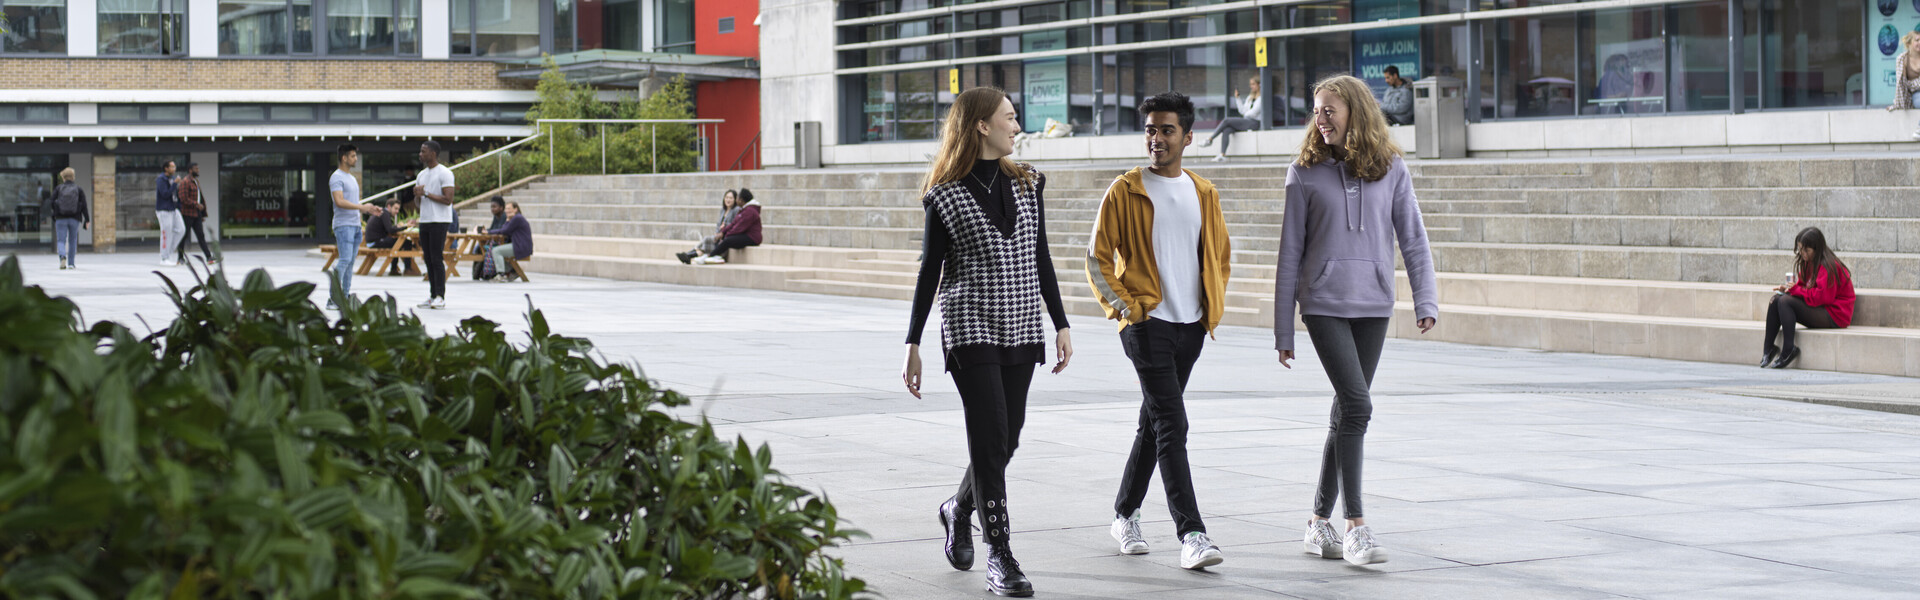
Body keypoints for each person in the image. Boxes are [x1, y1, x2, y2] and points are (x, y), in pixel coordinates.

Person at [904, 86, 1072, 598]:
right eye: (1010, 118)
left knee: (1008, 436)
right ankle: (1000, 553)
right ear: (981, 125)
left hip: (1022, 323)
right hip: (970, 326)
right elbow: (929, 271)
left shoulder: (1029, 184)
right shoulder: (945, 196)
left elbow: (1040, 257)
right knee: (990, 431)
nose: (1017, 126)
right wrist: (912, 343)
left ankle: (958, 507)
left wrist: (1061, 322)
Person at [1275, 75, 1439, 567]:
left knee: (1346, 412)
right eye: (1317, 111)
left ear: (1357, 113)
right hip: (1323, 303)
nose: (1320, 120)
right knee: (1358, 405)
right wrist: (1285, 328)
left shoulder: (1391, 169)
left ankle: (1317, 523)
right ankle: (1356, 526)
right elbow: (1289, 256)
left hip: (1374, 305)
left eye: (1330, 111)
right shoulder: (1303, 173)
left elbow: (1413, 238)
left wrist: (1425, 299)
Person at [1086, 91, 1231, 572]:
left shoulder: (1204, 193)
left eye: (1167, 130)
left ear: (1188, 137)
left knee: (1154, 422)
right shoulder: (1126, 189)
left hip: (1190, 327)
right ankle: (1191, 533)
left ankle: (1123, 513)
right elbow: (1097, 258)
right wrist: (1126, 309)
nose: (1156, 138)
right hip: (1146, 324)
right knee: (1173, 422)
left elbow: (1219, 257)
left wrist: (1212, 304)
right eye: (1150, 129)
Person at [1763, 227, 1854, 369]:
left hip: (1835, 315)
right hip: (1821, 309)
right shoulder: (1809, 262)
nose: (1803, 254)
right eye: (1800, 249)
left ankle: (1788, 350)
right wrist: (1788, 289)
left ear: (1817, 249)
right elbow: (1803, 286)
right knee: (1776, 299)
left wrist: (1796, 291)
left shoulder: (1828, 266)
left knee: (1786, 302)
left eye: (1807, 250)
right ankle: (1768, 349)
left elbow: (1822, 298)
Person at [328, 144, 384, 310]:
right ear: (344, 158)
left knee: (350, 262)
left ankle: (344, 298)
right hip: (343, 226)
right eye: (352, 156)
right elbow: (339, 201)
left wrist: (369, 209)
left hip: (355, 225)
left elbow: (352, 202)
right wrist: (362, 208)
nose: (356, 159)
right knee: (344, 260)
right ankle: (333, 299)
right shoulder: (336, 177)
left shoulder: (351, 178)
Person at [414, 140, 457, 309]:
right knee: (428, 258)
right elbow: (418, 205)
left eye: (423, 151)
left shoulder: (445, 173)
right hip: (425, 220)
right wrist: (418, 196)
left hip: (440, 220)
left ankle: (441, 296)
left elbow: (448, 200)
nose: (420, 154)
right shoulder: (421, 175)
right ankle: (432, 296)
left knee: (436, 258)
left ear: (432, 153)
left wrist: (426, 193)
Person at [1196, 76, 1263, 162]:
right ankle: (1222, 155)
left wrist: (1245, 115)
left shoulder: (1261, 98)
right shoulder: (1250, 97)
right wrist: (1237, 98)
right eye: (1250, 84)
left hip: (1254, 123)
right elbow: (1242, 111)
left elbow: (1254, 112)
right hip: (1247, 121)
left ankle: (1210, 139)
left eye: (1253, 84)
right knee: (1227, 129)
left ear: (1259, 85)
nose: (1251, 86)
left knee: (1227, 120)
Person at [694, 188, 761, 264]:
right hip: (746, 235)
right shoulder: (744, 210)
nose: (736, 200)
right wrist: (723, 232)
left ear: (742, 200)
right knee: (724, 238)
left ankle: (710, 256)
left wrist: (725, 235)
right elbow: (734, 223)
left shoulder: (750, 211)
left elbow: (739, 228)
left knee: (727, 240)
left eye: (738, 198)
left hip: (752, 238)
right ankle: (712, 255)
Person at [678, 189, 741, 264]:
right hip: (718, 236)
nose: (728, 200)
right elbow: (718, 225)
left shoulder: (736, 210)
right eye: (727, 197)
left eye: (731, 198)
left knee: (707, 239)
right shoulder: (723, 210)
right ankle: (689, 255)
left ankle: (689, 255)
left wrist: (724, 228)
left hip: (725, 238)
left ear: (735, 200)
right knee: (706, 240)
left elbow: (734, 224)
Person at [175, 162, 219, 265]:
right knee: (183, 236)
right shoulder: (185, 182)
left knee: (201, 236)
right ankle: (180, 258)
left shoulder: (195, 181)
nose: (198, 170)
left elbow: (200, 197)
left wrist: (202, 213)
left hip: (196, 214)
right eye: (196, 169)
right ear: (190, 170)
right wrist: (196, 204)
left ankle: (209, 257)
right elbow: (183, 198)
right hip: (187, 214)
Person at [46, 167, 89, 270]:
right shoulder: (78, 189)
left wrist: (56, 211)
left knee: (61, 240)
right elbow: (84, 205)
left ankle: (62, 257)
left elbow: (51, 201)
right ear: (73, 177)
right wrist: (87, 219)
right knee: (72, 240)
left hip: (60, 218)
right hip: (74, 218)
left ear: (63, 177)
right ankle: (71, 263)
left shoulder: (58, 188)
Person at [365, 198, 418, 276]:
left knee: (397, 243)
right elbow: (390, 230)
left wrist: (398, 226)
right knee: (407, 243)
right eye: (395, 208)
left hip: (372, 241)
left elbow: (388, 229)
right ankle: (407, 269)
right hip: (376, 242)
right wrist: (406, 226)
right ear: (389, 206)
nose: (397, 211)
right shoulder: (384, 213)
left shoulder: (383, 212)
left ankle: (394, 269)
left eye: (398, 209)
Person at [485, 202, 534, 281]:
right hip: (520, 246)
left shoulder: (517, 218)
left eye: (509, 208)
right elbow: (504, 229)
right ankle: (513, 271)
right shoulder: (515, 218)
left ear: (515, 209)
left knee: (496, 251)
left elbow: (504, 230)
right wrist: (507, 220)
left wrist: (488, 232)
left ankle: (501, 275)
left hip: (520, 247)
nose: (507, 211)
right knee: (497, 250)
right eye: (506, 209)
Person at [1888, 32, 1920, 140]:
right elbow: (1901, 84)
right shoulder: (1902, 59)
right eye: (1917, 40)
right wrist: (1896, 104)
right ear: (1909, 43)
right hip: (1915, 93)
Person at [155, 160, 185, 266]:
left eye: (174, 167)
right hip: (164, 210)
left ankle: (168, 253)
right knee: (166, 233)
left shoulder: (172, 179)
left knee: (181, 230)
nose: (174, 169)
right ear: (166, 168)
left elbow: (175, 195)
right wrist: (175, 184)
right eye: (172, 167)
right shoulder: (161, 179)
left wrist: (179, 207)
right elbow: (165, 194)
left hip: (173, 209)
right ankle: (164, 258)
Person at [472, 198, 507, 279]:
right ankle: (478, 274)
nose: (492, 209)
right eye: (491, 207)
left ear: (501, 208)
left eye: (494, 207)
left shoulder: (504, 217)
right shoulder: (496, 217)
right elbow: (492, 229)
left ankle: (485, 274)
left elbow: (500, 231)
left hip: (501, 242)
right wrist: (485, 230)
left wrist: (488, 232)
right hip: (494, 240)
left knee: (483, 249)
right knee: (478, 248)